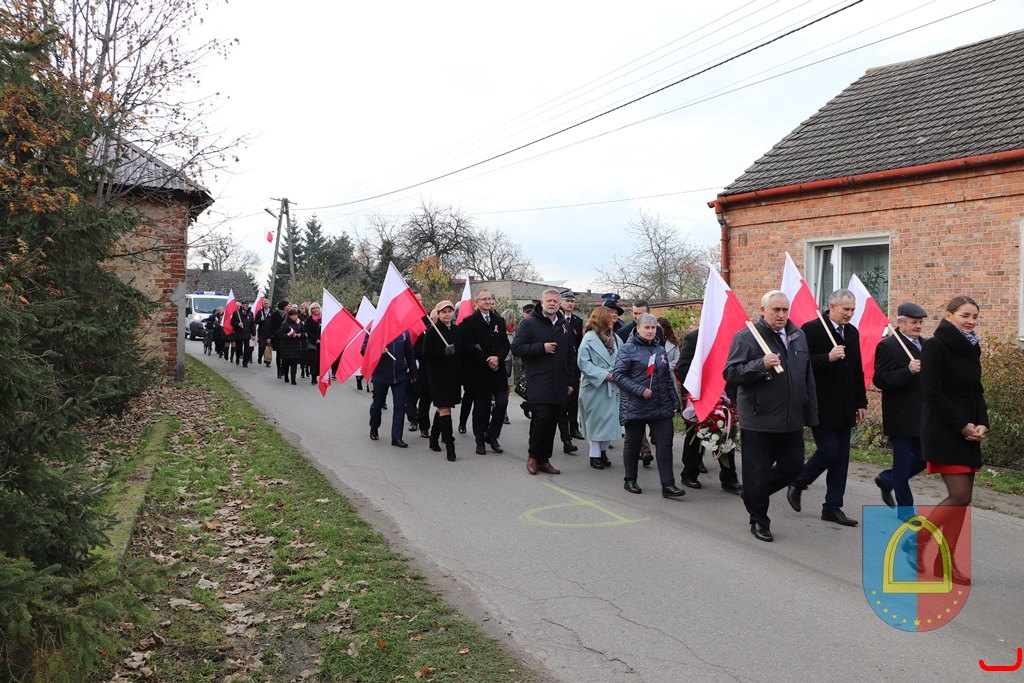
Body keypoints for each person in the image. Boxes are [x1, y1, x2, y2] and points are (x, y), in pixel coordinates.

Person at [724, 291, 817, 542]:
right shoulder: (747, 337)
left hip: (791, 419)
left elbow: (806, 377)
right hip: (759, 419)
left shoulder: (798, 336)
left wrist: (810, 413)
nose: (781, 315)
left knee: (793, 467)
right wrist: (760, 364)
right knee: (756, 473)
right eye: (776, 309)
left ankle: (752, 494)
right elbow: (730, 373)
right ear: (763, 310)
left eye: (785, 310)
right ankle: (759, 520)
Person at [918, 295, 987, 584]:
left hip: (969, 430)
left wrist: (982, 423)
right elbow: (932, 393)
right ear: (949, 316)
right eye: (964, 315)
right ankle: (918, 541)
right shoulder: (935, 346)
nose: (971, 322)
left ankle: (942, 563)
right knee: (959, 496)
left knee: (963, 501)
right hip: (944, 429)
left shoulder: (972, 347)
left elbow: (976, 390)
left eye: (975, 317)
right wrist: (961, 425)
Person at [787, 289, 867, 528]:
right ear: (832, 307)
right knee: (829, 451)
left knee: (842, 459)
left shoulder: (852, 333)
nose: (850, 314)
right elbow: (799, 365)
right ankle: (799, 482)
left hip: (845, 406)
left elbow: (857, 370)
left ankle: (832, 507)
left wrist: (861, 402)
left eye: (853, 310)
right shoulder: (811, 330)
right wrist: (827, 358)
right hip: (821, 404)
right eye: (846, 309)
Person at [613, 313, 687, 498]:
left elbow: (667, 378)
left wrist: (674, 400)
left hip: (661, 406)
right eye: (646, 327)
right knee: (633, 444)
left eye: (653, 328)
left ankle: (668, 484)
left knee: (665, 445)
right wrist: (639, 390)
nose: (650, 331)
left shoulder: (660, 349)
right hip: (636, 405)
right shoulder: (627, 349)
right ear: (638, 328)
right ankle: (630, 479)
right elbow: (619, 376)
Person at [511, 288, 574, 475]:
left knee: (552, 421)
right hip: (538, 380)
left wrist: (571, 382)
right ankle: (533, 457)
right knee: (541, 418)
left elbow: (570, 355)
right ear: (542, 302)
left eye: (555, 301)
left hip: (559, 382)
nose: (552, 304)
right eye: (549, 301)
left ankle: (544, 460)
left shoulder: (564, 325)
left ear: (559, 304)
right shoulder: (530, 323)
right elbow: (517, 348)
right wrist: (541, 348)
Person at [872, 302, 929, 508]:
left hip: (922, 415)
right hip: (900, 415)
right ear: (901, 323)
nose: (918, 326)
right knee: (903, 465)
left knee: (924, 459)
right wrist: (907, 371)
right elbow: (880, 379)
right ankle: (906, 511)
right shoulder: (888, 346)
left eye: (920, 322)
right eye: (914, 322)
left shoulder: (925, 345)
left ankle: (887, 479)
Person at [677, 328, 743, 494]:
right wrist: (702, 387)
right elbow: (683, 368)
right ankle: (689, 473)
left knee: (726, 435)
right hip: (700, 396)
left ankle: (729, 478)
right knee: (696, 435)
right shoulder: (694, 338)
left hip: (724, 396)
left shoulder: (729, 338)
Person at [459, 289, 511, 455]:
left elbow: (505, 344)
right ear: (477, 302)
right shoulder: (469, 322)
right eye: (484, 299)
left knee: (502, 402)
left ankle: (492, 435)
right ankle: (480, 440)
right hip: (479, 371)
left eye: (489, 298)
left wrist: (498, 358)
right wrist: (487, 360)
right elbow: (468, 347)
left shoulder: (499, 320)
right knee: (481, 407)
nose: (488, 301)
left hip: (497, 370)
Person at [576, 306, 621, 470]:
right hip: (594, 387)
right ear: (602, 319)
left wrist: (618, 373)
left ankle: (603, 452)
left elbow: (622, 357)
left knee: (609, 421)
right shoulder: (588, 339)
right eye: (609, 317)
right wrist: (604, 374)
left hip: (612, 387)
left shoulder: (615, 338)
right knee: (595, 422)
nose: (613, 319)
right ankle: (594, 455)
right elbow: (583, 363)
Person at [423, 300, 463, 462]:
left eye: (450, 311)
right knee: (445, 408)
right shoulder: (432, 332)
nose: (447, 314)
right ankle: (450, 446)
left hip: (453, 375)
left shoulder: (457, 330)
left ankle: (434, 437)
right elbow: (426, 355)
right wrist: (443, 352)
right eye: (444, 312)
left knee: (444, 407)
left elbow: (462, 351)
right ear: (438, 314)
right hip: (437, 376)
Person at [364, 330, 417, 448]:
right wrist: (377, 350)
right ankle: (374, 427)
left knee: (400, 406)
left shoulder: (404, 332)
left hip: (400, 375)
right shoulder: (374, 329)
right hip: (380, 375)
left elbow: (409, 353)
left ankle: (397, 437)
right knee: (377, 405)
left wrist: (413, 371)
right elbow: (363, 350)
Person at [557, 290, 584, 452]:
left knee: (573, 399)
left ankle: (574, 427)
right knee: (562, 403)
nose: (570, 304)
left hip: (573, 365)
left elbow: (579, 344)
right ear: (561, 302)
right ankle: (565, 436)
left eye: (572, 301)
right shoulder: (556, 319)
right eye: (567, 301)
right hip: (559, 365)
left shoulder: (577, 321)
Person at [273, 307, 305, 385]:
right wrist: (289, 336)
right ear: (290, 316)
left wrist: (300, 335)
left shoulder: (299, 323)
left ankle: (293, 379)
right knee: (286, 363)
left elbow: (303, 332)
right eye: (294, 315)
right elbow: (281, 335)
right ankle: (286, 376)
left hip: (296, 346)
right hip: (286, 347)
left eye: (296, 315)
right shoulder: (284, 324)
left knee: (294, 364)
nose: (296, 317)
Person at [230, 300, 256, 367]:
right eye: (245, 305)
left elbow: (252, 324)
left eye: (247, 305)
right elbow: (232, 322)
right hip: (239, 333)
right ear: (242, 305)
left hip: (247, 333)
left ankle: (245, 362)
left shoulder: (250, 313)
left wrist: (253, 334)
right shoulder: (236, 313)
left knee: (247, 349)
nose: (247, 306)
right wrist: (237, 324)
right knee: (238, 348)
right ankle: (238, 357)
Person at [304, 302, 323, 385]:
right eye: (313, 308)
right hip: (313, 344)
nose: (315, 310)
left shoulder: (323, 319)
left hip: (322, 344)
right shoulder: (309, 320)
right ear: (311, 310)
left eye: (317, 308)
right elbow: (308, 331)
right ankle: (313, 378)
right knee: (313, 361)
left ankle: (319, 375)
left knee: (319, 361)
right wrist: (315, 339)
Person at [269, 300, 289, 377]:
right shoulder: (274, 314)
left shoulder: (288, 314)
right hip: (277, 337)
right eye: (287, 305)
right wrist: (269, 337)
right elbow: (271, 326)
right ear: (284, 306)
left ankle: (283, 369)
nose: (288, 307)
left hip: (286, 337)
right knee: (279, 354)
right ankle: (279, 370)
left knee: (285, 355)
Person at [254, 299, 273, 367]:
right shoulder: (260, 312)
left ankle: (267, 361)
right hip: (261, 333)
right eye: (264, 303)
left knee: (268, 348)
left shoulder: (272, 312)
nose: (266, 305)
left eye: (267, 303)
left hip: (269, 333)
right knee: (261, 346)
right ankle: (260, 357)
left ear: (269, 304)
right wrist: (260, 320)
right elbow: (256, 321)